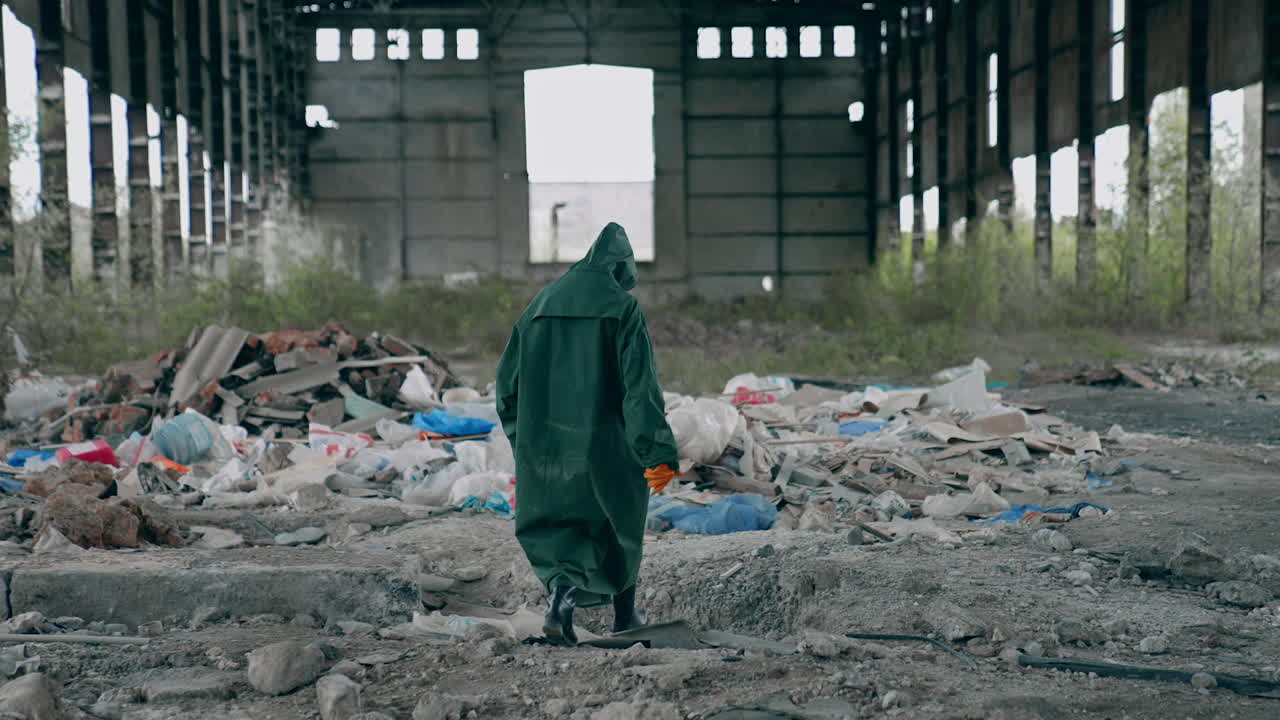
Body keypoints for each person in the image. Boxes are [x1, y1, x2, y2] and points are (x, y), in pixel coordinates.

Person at [496, 222, 680, 646]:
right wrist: (656, 452)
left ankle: (560, 606)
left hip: (547, 446)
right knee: (622, 522)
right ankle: (624, 614)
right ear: (619, 269)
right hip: (607, 445)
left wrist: (525, 439)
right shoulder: (623, 308)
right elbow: (641, 390)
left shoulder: (539, 306)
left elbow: (507, 386)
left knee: (561, 527)